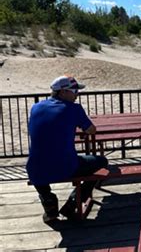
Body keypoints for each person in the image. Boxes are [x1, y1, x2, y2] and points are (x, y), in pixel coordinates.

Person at [26, 76, 108, 223]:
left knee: (39, 168)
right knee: (102, 162)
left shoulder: (35, 107)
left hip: (34, 168)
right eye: (75, 91)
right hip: (65, 166)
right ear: (62, 92)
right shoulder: (74, 109)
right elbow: (91, 130)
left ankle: (48, 202)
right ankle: (74, 201)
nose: (77, 94)